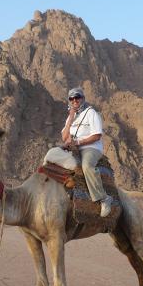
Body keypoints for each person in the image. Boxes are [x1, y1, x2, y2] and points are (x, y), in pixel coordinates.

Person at [61, 87, 113, 217]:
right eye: (71, 98)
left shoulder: (91, 113)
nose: (74, 101)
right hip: (74, 148)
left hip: (91, 148)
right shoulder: (70, 117)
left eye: (77, 97)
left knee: (86, 166)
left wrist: (78, 143)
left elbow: (97, 135)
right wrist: (71, 117)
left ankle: (103, 198)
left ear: (82, 98)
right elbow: (64, 137)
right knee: (53, 158)